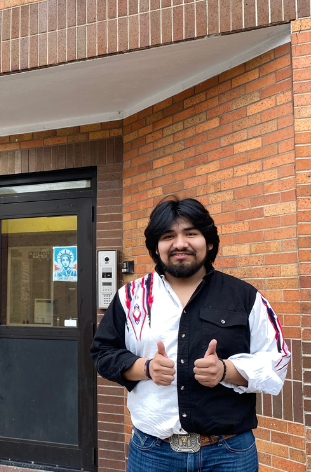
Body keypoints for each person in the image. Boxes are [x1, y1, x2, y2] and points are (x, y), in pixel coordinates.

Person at [91, 197, 291, 472]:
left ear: (209, 242)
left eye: (191, 233)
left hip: (229, 453)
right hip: (153, 452)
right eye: (168, 236)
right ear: (156, 247)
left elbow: (277, 359)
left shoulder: (245, 297)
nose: (180, 243)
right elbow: (103, 353)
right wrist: (145, 368)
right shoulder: (131, 297)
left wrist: (226, 370)